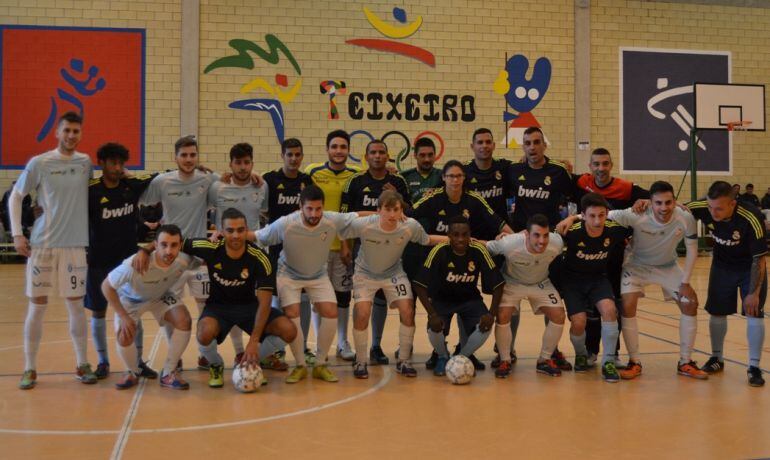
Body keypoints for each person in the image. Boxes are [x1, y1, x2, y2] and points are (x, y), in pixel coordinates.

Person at [10, 111, 96, 390]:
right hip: (43, 244)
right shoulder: (40, 162)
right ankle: (29, 367)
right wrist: (17, 234)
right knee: (37, 306)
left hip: (74, 245)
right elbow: (16, 196)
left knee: (75, 306)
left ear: (81, 134)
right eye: (67, 130)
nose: (71, 136)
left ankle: (82, 363)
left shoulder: (85, 163)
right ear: (57, 132)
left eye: (76, 131)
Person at [590, 181, 704, 380]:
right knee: (627, 304)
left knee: (690, 304)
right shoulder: (637, 214)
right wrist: (573, 218)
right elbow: (602, 216)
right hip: (636, 265)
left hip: (668, 266)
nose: (664, 208)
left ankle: (685, 361)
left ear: (675, 201)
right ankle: (635, 361)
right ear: (650, 202)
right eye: (658, 203)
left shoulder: (685, 217)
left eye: (668, 202)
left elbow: (693, 250)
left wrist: (685, 283)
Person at [411, 159, 512, 370]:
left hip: (465, 260)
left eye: (459, 176)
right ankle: (439, 353)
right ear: (444, 178)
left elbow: (496, 221)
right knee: (439, 322)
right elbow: (410, 215)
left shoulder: (473, 199)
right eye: (450, 176)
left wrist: (519, 239)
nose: (455, 180)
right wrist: (425, 238)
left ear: (464, 178)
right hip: (440, 262)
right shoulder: (433, 198)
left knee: (471, 314)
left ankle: (465, 353)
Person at [253, 185, 359, 383]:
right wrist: (225, 235)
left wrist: (384, 213)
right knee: (292, 314)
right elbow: (259, 236)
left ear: (323, 207)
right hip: (288, 274)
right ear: (300, 206)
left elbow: (359, 215)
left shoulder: (331, 219)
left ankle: (319, 364)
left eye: (318, 209)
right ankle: (300, 365)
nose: (314, 214)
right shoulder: (286, 223)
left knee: (331, 312)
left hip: (317, 274)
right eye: (309, 209)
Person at [181, 208, 296, 388]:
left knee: (289, 330)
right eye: (230, 230)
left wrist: (253, 343)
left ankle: (253, 360)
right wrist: (145, 251)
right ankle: (216, 364)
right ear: (220, 230)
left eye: (240, 230)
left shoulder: (261, 258)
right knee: (203, 333)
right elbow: (175, 242)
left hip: (250, 307)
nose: (236, 235)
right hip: (218, 308)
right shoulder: (210, 248)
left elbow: (265, 303)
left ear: (246, 229)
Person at [339, 190, 444, 379]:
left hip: (394, 273)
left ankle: (403, 361)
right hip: (365, 274)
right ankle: (361, 361)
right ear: (378, 210)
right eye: (387, 209)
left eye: (396, 209)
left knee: (407, 309)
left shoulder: (409, 226)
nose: (392, 215)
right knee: (362, 311)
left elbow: (427, 240)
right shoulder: (364, 224)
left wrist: (457, 239)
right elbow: (341, 226)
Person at [502, 126, 574, 371]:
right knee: (512, 301)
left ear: (544, 145)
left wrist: (572, 219)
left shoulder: (559, 172)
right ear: (523, 147)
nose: (532, 147)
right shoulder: (513, 170)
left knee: (551, 298)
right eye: (527, 143)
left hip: (548, 244)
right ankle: (507, 350)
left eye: (536, 142)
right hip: (520, 244)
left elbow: (579, 192)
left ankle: (551, 351)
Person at [85, 142, 158, 380]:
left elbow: (162, 176)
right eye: (112, 163)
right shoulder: (90, 190)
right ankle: (103, 361)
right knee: (98, 312)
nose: (117, 168)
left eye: (120, 163)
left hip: (128, 262)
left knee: (133, 311)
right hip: (97, 261)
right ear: (102, 163)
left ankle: (138, 362)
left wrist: (197, 166)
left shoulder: (131, 186)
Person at [572, 147, 649, 365]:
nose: (601, 168)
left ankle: (613, 354)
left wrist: (643, 201)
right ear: (590, 167)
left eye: (605, 164)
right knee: (590, 310)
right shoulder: (580, 183)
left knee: (612, 307)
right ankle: (590, 351)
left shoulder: (624, 188)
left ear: (611, 165)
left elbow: (651, 197)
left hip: (614, 256)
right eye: (596, 164)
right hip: (587, 255)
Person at [687, 181, 767, 387]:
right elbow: (674, 209)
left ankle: (754, 366)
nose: (713, 212)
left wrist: (754, 292)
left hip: (750, 267)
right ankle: (716, 358)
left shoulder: (751, 217)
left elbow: (760, 259)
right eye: (710, 207)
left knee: (753, 311)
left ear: (733, 204)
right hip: (722, 267)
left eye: (719, 208)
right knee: (717, 312)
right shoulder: (705, 206)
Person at [341, 139, 411, 366]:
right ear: (366, 156)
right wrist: (345, 245)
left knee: (384, 295)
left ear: (388, 155)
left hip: (392, 247)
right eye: (373, 152)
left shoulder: (398, 181)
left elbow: (410, 211)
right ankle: (357, 351)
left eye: (382, 152)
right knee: (363, 301)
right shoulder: (356, 181)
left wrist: (397, 197)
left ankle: (376, 346)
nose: (378, 156)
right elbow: (346, 218)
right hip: (364, 247)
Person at [102, 225, 193, 390]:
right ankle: (131, 371)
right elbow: (106, 287)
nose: (168, 251)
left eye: (174, 245)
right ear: (155, 245)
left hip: (159, 296)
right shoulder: (135, 264)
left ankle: (169, 372)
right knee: (125, 333)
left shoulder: (184, 260)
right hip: (131, 300)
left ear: (180, 245)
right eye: (163, 245)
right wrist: (123, 316)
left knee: (184, 319)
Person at [204, 142, 269, 366]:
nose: (242, 167)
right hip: (227, 252)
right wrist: (216, 232)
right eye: (238, 163)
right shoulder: (218, 188)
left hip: (254, 251)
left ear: (252, 163)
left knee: (255, 302)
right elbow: (210, 212)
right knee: (231, 301)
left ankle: (258, 349)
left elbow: (265, 212)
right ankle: (239, 351)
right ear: (230, 164)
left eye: (247, 162)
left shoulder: (262, 186)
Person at [413, 216, 503, 376]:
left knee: (486, 325)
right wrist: (432, 314)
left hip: (470, 299)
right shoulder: (439, 251)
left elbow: (498, 284)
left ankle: (462, 357)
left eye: (465, 234)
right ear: (449, 235)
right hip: (442, 299)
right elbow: (419, 285)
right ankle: (441, 356)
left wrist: (491, 314)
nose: (460, 239)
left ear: (470, 234)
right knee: (434, 327)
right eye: (456, 234)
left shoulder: (478, 250)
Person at [555, 193, 631, 381]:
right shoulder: (571, 231)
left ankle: (608, 361)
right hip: (572, 281)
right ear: (583, 215)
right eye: (592, 216)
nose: (597, 221)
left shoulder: (614, 229)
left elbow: (640, 222)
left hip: (598, 279)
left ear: (607, 214)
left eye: (601, 215)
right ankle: (581, 354)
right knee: (579, 322)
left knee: (610, 310)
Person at [486, 214, 569, 378]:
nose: (542, 241)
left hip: (540, 282)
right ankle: (505, 360)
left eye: (545, 235)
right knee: (503, 314)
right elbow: (486, 248)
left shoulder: (556, 243)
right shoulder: (510, 243)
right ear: (526, 234)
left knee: (559, 315)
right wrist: (497, 238)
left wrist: (573, 217)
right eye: (536, 235)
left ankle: (544, 361)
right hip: (512, 282)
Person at [306, 130, 360, 362]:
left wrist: (347, 242)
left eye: (343, 147)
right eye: (334, 146)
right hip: (317, 247)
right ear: (327, 149)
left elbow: (350, 214)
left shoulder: (357, 175)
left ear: (348, 150)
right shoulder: (313, 172)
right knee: (319, 297)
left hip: (344, 246)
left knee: (343, 295)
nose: (339, 151)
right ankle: (321, 345)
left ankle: (342, 341)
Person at [262, 138, 315, 368]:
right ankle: (276, 350)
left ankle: (302, 345)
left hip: (301, 251)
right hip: (276, 250)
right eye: (289, 154)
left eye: (297, 155)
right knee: (276, 300)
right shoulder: (269, 180)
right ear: (282, 155)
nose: (294, 159)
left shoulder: (306, 181)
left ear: (302, 156)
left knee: (303, 299)